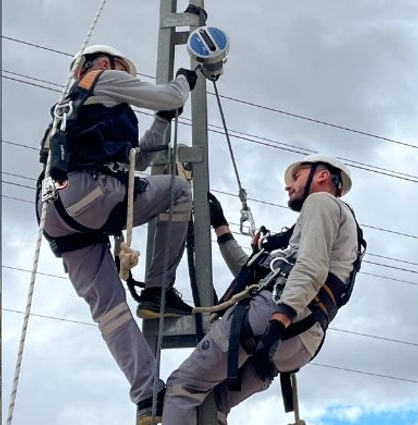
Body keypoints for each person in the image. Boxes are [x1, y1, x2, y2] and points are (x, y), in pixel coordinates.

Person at [36, 44, 197, 422]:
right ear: (106, 63)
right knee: (178, 191)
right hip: (92, 192)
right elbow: (172, 95)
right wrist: (183, 81)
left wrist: (163, 121)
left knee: (109, 312)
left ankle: (148, 396)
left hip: (56, 213)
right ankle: (158, 289)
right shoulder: (104, 77)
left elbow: (136, 158)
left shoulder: (70, 110)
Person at [163, 155, 364, 423]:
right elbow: (252, 272)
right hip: (301, 342)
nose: (288, 186)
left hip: (274, 318)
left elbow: (311, 267)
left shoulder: (321, 202)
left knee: (182, 387)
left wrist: (278, 323)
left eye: (296, 176)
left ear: (322, 175)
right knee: (215, 405)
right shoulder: (341, 235)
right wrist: (221, 227)